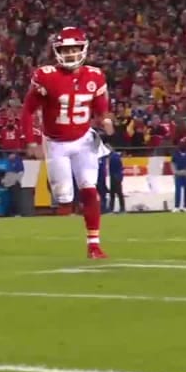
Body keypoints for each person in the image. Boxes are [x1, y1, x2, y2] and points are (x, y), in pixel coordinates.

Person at [22, 27, 113, 259]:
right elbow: (27, 110)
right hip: (56, 143)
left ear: (83, 49)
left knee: (90, 189)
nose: (71, 54)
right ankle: (60, 212)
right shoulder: (46, 76)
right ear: (57, 51)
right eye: (66, 49)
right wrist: (31, 141)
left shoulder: (95, 75)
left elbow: (102, 108)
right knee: (64, 198)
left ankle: (94, 244)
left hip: (84, 139)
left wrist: (106, 120)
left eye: (75, 49)